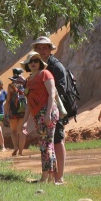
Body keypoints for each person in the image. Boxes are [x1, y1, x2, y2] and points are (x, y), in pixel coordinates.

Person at [32, 36, 70, 184]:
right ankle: (50, 177)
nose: (42, 50)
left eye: (45, 47)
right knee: (48, 143)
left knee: (58, 140)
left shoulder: (56, 66)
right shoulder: (40, 66)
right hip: (43, 110)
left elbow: (61, 89)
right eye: (39, 48)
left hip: (55, 110)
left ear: (50, 49)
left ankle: (59, 177)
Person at [24, 50, 59, 183]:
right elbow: (29, 103)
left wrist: (48, 113)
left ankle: (45, 177)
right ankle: (51, 177)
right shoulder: (29, 80)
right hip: (38, 115)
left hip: (46, 112)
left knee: (45, 145)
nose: (33, 63)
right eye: (31, 61)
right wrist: (25, 121)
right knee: (47, 144)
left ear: (40, 63)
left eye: (36, 60)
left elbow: (51, 94)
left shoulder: (45, 74)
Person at [6, 69, 28, 156]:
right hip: (23, 111)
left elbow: (8, 100)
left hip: (13, 111)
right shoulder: (25, 85)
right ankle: (21, 151)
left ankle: (15, 147)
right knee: (22, 131)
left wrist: (5, 113)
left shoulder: (10, 86)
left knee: (13, 131)